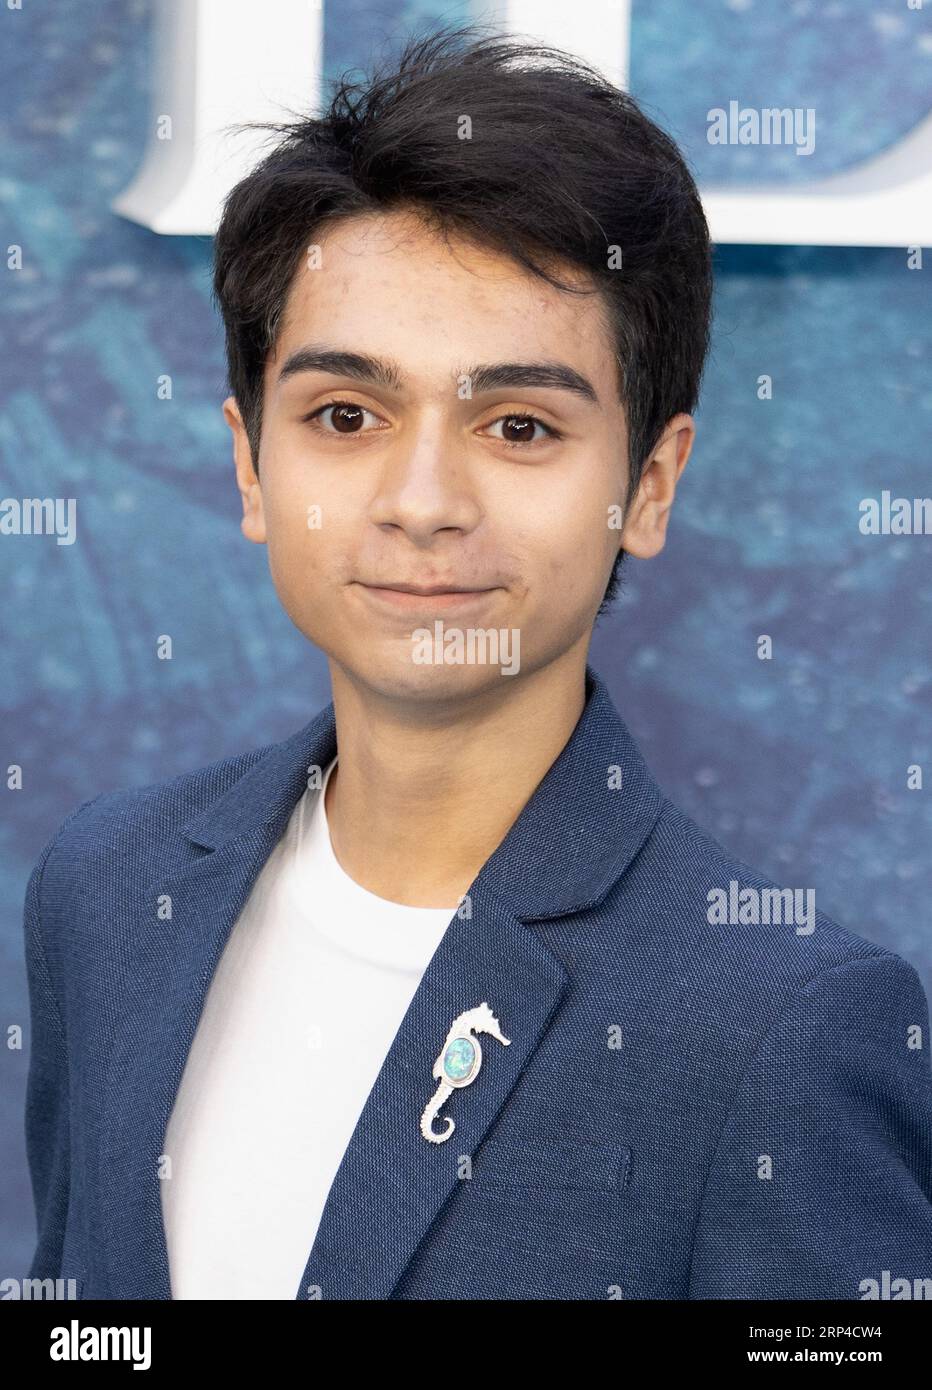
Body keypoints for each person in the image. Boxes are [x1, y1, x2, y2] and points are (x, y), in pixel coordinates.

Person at [24, 23, 932, 1301]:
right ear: (248, 462)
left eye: (517, 425)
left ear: (649, 484)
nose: (423, 498)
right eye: (345, 415)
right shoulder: (105, 891)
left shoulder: (778, 1030)